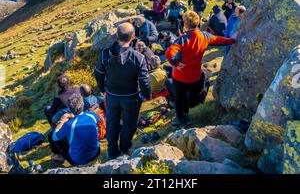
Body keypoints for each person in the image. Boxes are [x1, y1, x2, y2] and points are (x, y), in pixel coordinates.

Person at [165, 11, 236, 128]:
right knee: (190, 95)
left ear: (185, 24)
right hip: (195, 75)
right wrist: (232, 40)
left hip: (180, 76)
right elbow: (220, 40)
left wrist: (175, 63)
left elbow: (169, 52)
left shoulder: (182, 39)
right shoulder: (204, 36)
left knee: (179, 97)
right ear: (197, 22)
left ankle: (180, 119)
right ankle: (188, 117)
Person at [94, 22, 151, 159]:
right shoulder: (139, 57)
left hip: (112, 95)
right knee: (129, 124)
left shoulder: (105, 53)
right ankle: (124, 149)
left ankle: (112, 151)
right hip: (131, 97)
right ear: (133, 37)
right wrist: (147, 95)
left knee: (112, 122)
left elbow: (98, 72)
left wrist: (102, 89)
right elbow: (144, 80)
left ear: (116, 36)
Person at [48, 93, 100, 165]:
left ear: (69, 108)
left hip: (79, 160)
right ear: (83, 104)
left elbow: (54, 137)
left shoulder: (68, 125)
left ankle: (59, 156)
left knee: (51, 134)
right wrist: (74, 116)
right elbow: (95, 117)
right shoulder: (92, 115)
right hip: (96, 152)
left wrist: (62, 121)